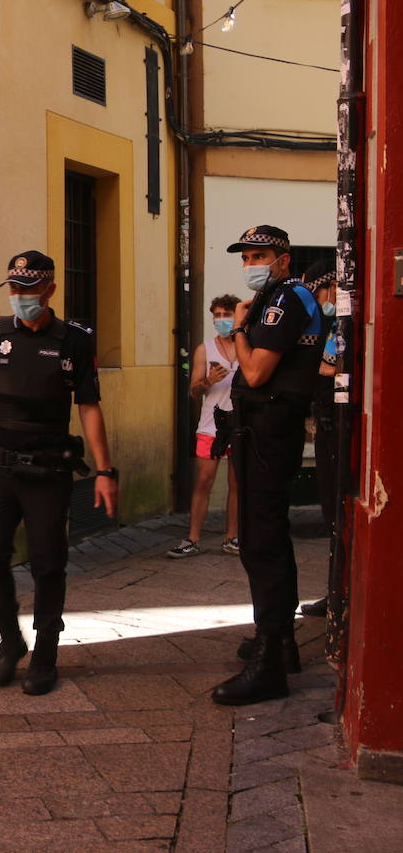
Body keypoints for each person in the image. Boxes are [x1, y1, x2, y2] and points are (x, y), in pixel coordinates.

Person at [0, 250, 118, 697]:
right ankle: (10, 640)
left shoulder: (74, 340)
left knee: (49, 563)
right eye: (14, 287)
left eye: (29, 288)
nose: (20, 296)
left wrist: (106, 470)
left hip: (49, 467)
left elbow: (89, 407)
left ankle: (46, 654)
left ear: (50, 290)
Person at [214, 226, 326, 706]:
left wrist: (239, 328)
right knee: (264, 538)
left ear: (283, 259)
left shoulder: (286, 298)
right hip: (258, 431)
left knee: (262, 542)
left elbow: (257, 371)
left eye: (259, 256)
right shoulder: (273, 298)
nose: (250, 264)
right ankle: (278, 642)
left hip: (269, 432)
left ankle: (270, 662)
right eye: (245, 257)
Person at [168, 294, 242, 559]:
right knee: (203, 481)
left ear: (237, 317)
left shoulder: (247, 346)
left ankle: (232, 537)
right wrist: (209, 380)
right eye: (217, 315)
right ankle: (192, 538)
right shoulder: (205, 349)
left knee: (237, 483)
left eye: (226, 315)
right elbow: (193, 391)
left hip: (240, 425)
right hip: (211, 426)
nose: (221, 320)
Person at [299, 258, 339, 618]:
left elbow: (327, 368)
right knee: (332, 511)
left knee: (336, 510)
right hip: (327, 421)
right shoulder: (327, 323)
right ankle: (336, 590)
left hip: (336, 424)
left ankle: (339, 592)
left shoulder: (338, 325)